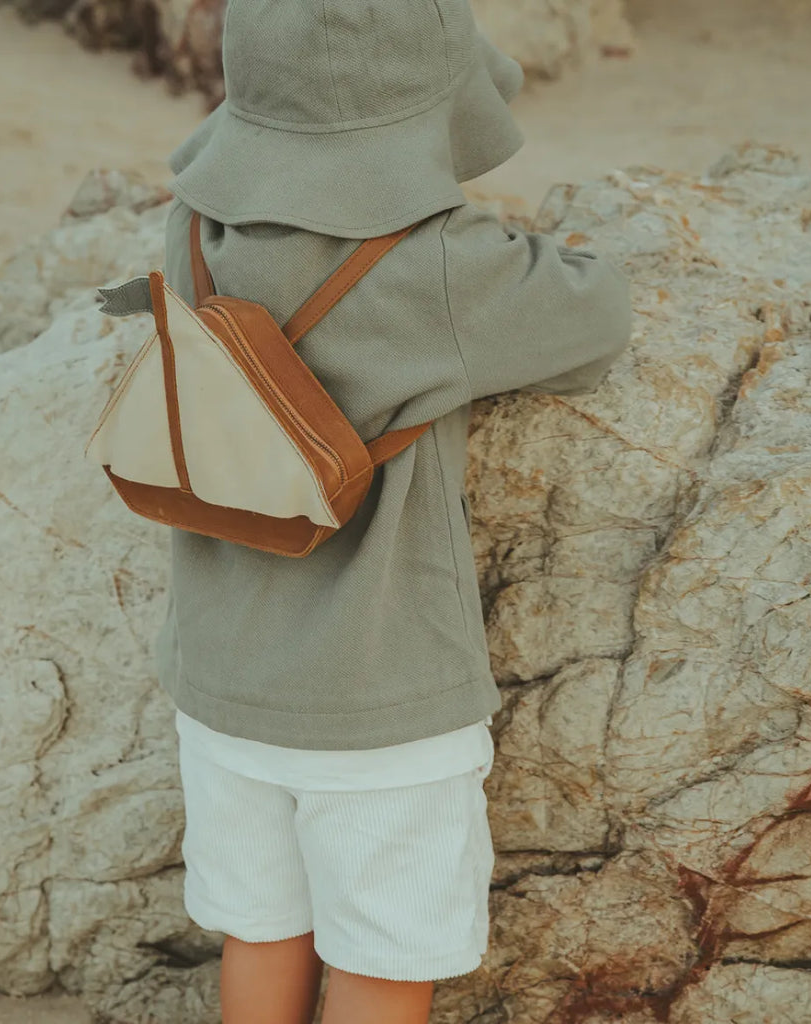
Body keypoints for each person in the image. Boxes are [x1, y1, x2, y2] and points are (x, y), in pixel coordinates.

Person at [155, 1, 632, 1021]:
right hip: (375, 707)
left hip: (221, 684)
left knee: (262, 933)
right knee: (378, 961)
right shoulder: (438, 260)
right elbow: (594, 318)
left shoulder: (195, 222)